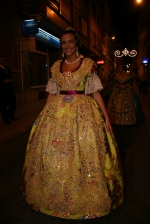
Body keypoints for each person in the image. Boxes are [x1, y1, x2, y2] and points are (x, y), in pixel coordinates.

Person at [22, 27, 124, 220]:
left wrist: (106, 117)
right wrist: (44, 115)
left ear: (76, 44)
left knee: (85, 152)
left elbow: (94, 92)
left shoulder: (88, 64)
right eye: (63, 42)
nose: (67, 45)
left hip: (83, 115)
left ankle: (86, 195)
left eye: (70, 42)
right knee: (55, 153)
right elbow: (52, 92)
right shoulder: (55, 66)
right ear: (61, 46)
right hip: (58, 114)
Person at [0, 55, 17, 124]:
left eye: (5, 60)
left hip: (9, 89)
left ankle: (11, 116)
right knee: (3, 106)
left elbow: (10, 76)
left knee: (12, 103)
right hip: (1, 90)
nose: (4, 61)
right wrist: (3, 81)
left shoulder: (8, 68)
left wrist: (12, 79)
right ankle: (5, 119)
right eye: (2, 60)